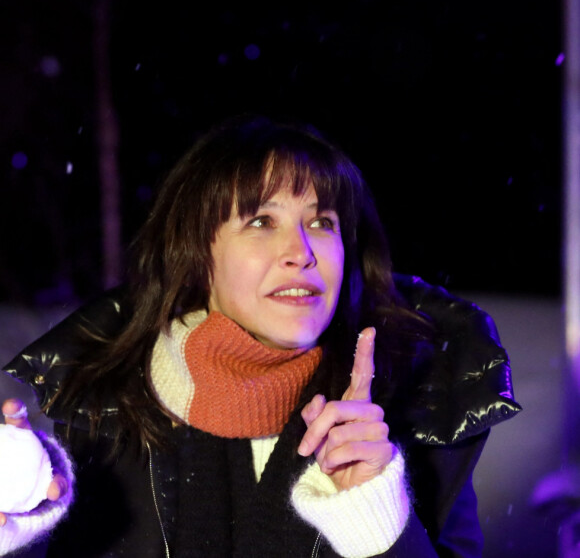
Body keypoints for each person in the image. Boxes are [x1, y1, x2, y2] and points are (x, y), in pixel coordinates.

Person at [1, 115, 520, 557]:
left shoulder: (420, 413)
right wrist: (18, 536)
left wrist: (377, 519)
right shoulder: (104, 416)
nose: (301, 252)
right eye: (260, 221)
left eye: (322, 222)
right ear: (197, 257)